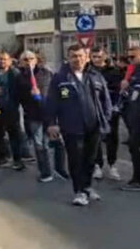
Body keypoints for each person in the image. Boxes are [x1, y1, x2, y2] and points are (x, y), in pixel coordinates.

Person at [45, 44, 112, 206]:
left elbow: (106, 100)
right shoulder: (60, 78)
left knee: (90, 159)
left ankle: (87, 186)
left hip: (93, 126)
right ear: (68, 58)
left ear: (87, 57)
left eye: (81, 55)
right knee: (76, 160)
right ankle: (79, 191)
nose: (78, 59)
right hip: (71, 126)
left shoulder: (95, 76)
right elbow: (52, 102)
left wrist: (105, 118)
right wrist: (52, 123)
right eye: (74, 56)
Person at [16, 51, 65, 183]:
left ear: (36, 60)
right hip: (33, 115)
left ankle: (60, 168)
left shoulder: (46, 73)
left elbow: (56, 91)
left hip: (50, 114)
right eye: (25, 59)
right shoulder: (19, 77)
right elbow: (18, 97)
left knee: (58, 142)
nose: (28, 61)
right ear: (21, 62)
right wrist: (29, 95)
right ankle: (45, 172)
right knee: (39, 145)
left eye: (31, 58)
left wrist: (42, 97)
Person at [89, 47, 125, 181]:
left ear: (105, 56)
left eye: (99, 56)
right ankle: (97, 165)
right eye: (94, 57)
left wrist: (116, 107)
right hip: (94, 110)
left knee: (112, 138)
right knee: (95, 138)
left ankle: (112, 164)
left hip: (110, 109)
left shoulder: (114, 71)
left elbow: (119, 91)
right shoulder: (88, 71)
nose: (96, 59)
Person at [121, 43, 140, 191]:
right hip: (133, 114)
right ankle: (138, 178)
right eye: (128, 57)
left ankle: (139, 180)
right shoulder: (133, 71)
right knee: (136, 147)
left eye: (133, 57)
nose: (130, 60)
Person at [0, 51, 28, 171]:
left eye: (5, 59)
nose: (2, 61)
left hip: (12, 108)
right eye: (0, 59)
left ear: (10, 61)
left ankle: (17, 160)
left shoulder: (15, 73)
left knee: (14, 134)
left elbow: (22, 89)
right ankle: (2, 158)